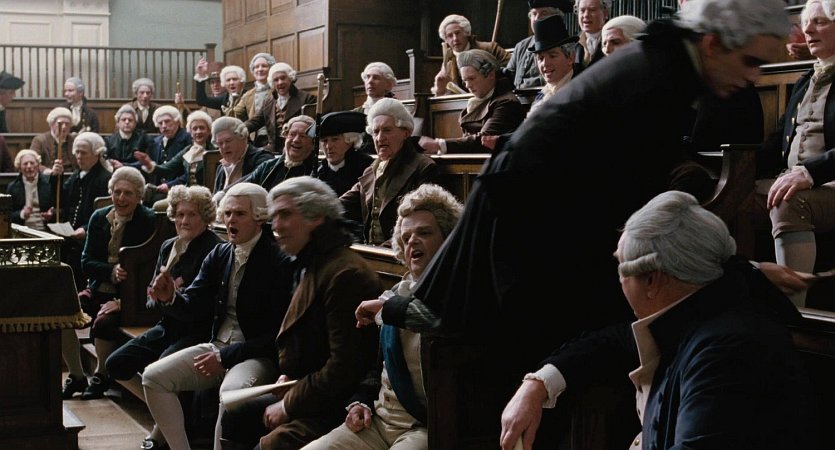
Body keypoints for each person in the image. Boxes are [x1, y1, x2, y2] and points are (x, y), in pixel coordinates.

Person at [371, 0, 791, 447]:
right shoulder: (656, 78)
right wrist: (730, 271)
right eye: (751, 61)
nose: (753, 77)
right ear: (711, 44)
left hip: (546, 224)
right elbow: (645, 212)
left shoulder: (661, 62)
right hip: (531, 236)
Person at [499, 190, 819, 450]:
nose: (619, 282)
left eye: (622, 269)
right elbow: (612, 342)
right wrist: (537, 385)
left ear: (653, 280)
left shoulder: (727, 351)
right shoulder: (707, 303)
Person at [220, 176, 381, 450]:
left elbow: (345, 368)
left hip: (341, 404)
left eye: (285, 215)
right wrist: (291, 378)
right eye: (274, 216)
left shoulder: (345, 273)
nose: (276, 226)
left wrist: (288, 405)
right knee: (235, 416)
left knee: (269, 442)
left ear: (316, 217)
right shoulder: (314, 262)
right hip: (312, 389)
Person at [307, 183, 462, 450]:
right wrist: (361, 401)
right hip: (377, 423)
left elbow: (441, 320)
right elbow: (377, 365)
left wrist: (387, 308)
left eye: (424, 232)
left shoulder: (461, 293)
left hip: (425, 427)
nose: (412, 241)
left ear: (447, 239)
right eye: (406, 237)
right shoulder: (396, 291)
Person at [141, 182, 293, 450]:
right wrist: (170, 298)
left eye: (240, 214)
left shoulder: (278, 259)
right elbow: (193, 305)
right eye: (228, 213)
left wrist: (225, 357)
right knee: (153, 377)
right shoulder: (221, 253)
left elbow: (277, 335)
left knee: (230, 395)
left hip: (257, 355)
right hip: (218, 345)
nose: (231, 220)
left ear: (260, 218)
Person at [106, 184, 222, 450]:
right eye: (180, 214)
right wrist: (159, 297)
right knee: (116, 364)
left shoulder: (214, 249)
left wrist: (171, 297)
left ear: (205, 216)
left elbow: (201, 309)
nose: (184, 221)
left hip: (198, 331)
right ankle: (165, 414)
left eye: (192, 214)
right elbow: (151, 300)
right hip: (168, 325)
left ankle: (160, 434)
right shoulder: (169, 245)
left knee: (159, 370)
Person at [758, 0, 835, 307]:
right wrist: (738, 170)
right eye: (805, 23)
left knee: (789, 201)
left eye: (820, 22)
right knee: (735, 195)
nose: (808, 30)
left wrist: (811, 172)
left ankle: (794, 314)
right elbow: (776, 141)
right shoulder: (805, 81)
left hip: (828, 183)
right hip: (794, 178)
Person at [61, 166, 157, 400]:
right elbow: (86, 261)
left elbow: (151, 269)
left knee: (103, 322)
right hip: (99, 286)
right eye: (117, 192)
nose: (121, 198)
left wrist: (123, 302)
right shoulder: (99, 217)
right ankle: (76, 374)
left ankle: (101, 375)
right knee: (62, 313)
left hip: (132, 297)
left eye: (128, 193)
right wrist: (111, 271)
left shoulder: (149, 220)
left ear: (139, 196)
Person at [340, 98, 438, 246]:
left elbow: (418, 225)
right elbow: (342, 205)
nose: (380, 138)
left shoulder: (423, 167)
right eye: (376, 132)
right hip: (373, 252)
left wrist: (380, 253)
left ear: (405, 132)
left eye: (387, 130)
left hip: (401, 252)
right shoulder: (371, 170)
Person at [419, 49, 524, 154]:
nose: (467, 85)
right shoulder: (477, 102)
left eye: (472, 78)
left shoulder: (506, 103)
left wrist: (440, 144)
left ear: (491, 75)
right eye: (465, 80)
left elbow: (484, 141)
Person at [59, 132, 114, 290]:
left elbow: (104, 214)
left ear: (96, 154)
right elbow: (62, 200)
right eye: (76, 152)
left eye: (83, 153)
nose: (78, 157)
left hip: (91, 238)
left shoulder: (105, 178)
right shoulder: (77, 175)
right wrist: (57, 177)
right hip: (71, 236)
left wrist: (85, 229)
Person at [244, 62, 317, 153]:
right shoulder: (268, 102)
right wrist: (240, 128)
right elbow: (255, 121)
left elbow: (311, 127)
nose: (280, 82)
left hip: (297, 147)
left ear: (290, 78)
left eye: (283, 78)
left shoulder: (307, 99)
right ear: (272, 83)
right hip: (274, 149)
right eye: (276, 80)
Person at [431, 14, 510, 96]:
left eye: (458, 33)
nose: (455, 39)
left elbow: (511, 69)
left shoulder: (490, 48)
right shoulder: (447, 63)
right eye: (450, 36)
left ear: (467, 32)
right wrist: (440, 90)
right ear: (445, 40)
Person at [137, 110, 216, 191]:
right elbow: (168, 168)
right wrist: (149, 165)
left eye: (202, 128)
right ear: (190, 132)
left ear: (208, 130)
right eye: (195, 129)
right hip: (187, 192)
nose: (198, 132)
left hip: (207, 192)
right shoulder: (187, 150)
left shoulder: (214, 152)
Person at [236, 115, 317, 193]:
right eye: (292, 134)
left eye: (303, 136)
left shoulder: (316, 172)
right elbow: (241, 189)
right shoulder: (268, 166)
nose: (296, 140)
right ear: (285, 137)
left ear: (313, 144)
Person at [505, 0, 571, 90]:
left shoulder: (567, 45)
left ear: (557, 17)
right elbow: (508, 76)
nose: (537, 19)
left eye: (544, 13)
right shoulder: (521, 46)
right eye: (534, 14)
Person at [311, 110, 373, 196]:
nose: (328, 146)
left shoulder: (366, 166)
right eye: (324, 141)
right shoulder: (320, 170)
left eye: (335, 139)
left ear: (350, 140)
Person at [141, 105, 194, 204]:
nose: (164, 126)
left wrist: (169, 185)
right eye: (160, 123)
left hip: (180, 189)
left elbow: (189, 173)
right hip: (158, 188)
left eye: (167, 121)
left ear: (177, 121)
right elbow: (149, 164)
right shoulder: (156, 142)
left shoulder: (188, 139)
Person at [212, 116, 274, 194]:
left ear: (243, 138)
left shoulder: (262, 159)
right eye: (220, 143)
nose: (224, 146)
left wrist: (223, 193)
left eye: (228, 141)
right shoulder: (221, 168)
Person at [6, 149, 60, 231]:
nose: (29, 166)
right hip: (22, 232)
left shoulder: (49, 182)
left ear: (38, 165)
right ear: (19, 167)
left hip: (47, 231)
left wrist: (52, 214)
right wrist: (22, 214)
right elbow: (6, 216)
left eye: (32, 163)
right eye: (25, 164)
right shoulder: (12, 187)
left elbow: (62, 209)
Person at [232, 52, 277, 147]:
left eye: (264, 66)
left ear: (271, 69)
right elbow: (237, 113)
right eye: (256, 67)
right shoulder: (248, 95)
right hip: (254, 139)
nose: (260, 69)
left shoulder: (278, 90)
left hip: (274, 138)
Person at [105, 103, 153, 171]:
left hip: (137, 172)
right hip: (115, 173)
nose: (127, 122)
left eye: (130, 120)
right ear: (117, 123)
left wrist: (124, 165)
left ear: (135, 123)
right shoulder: (109, 141)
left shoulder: (144, 138)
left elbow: (147, 161)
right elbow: (106, 160)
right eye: (123, 119)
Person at [30, 106, 77, 174]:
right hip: (50, 177)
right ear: (51, 124)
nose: (64, 127)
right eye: (60, 123)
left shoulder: (74, 140)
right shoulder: (40, 140)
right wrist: (49, 171)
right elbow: (33, 161)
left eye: (67, 124)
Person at [573, 0, 611, 75]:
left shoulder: (615, 41)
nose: (586, 15)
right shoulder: (572, 45)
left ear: (605, 14)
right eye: (582, 10)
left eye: (592, 10)